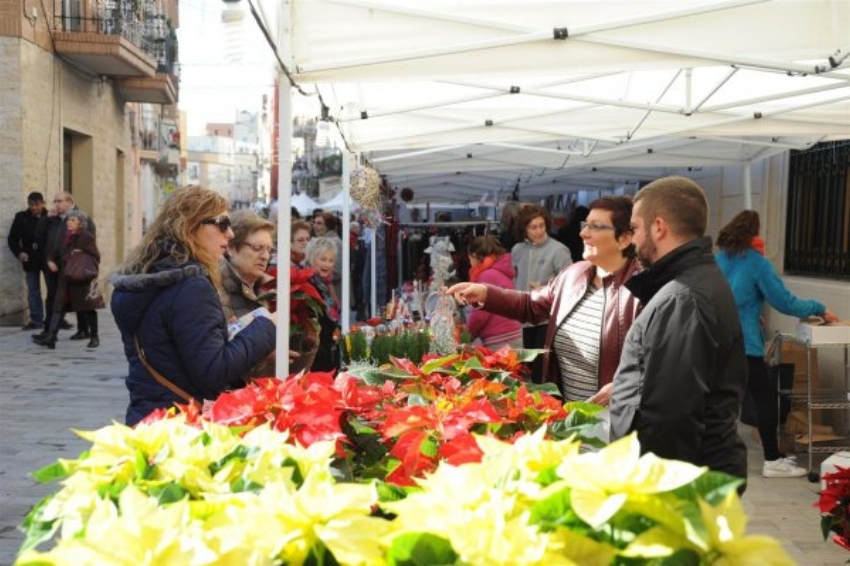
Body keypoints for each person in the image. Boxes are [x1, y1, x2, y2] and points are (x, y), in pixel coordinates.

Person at [609, 176, 748, 484]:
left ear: (659, 227)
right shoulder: (688, 286)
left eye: (635, 228)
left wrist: (650, 496)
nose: (631, 239)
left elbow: (670, 416)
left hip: (677, 485)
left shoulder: (683, 298)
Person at [110, 186, 277, 426]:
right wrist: (266, 327)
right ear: (191, 226)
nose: (229, 234)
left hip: (148, 417)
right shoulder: (191, 287)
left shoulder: (149, 278)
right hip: (180, 425)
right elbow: (213, 371)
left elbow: (173, 352)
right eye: (222, 224)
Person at [447, 196, 640, 402]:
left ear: (625, 239)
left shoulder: (642, 291)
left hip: (618, 423)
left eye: (596, 227)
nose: (583, 233)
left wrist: (628, 387)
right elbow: (530, 305)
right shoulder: (573, 275)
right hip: (570, 417)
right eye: (586, 225)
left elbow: (663, 364)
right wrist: (486, 293)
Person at [716, 209, 839, 478]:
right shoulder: (756, 263)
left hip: (714, 342)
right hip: (744, 344)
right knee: (764, 399)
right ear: (754, 235)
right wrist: (819, 308)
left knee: (718, 402)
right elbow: (785, 301)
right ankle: (772, 461)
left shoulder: (718, 260)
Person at [510, 204, 572, 381]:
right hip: (526, 317)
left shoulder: (558, 250)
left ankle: (547, 403)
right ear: (524, 229)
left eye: (541, 226)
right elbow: (513, 277)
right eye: (533, 227)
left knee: (542, 369)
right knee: (529, 366)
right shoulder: (518, 250)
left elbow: (570, 282)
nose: (538, 231)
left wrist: (546, 289)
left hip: (548, 316)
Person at [34, 210, 105, 349]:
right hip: (65, 278)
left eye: (73, 220)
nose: (69, 223)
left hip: (81, 279)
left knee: (88, 308)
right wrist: (50, 261)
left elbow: (96, 257)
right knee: (58, 307)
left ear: (80, 223)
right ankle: (51, 338)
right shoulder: (64, 236)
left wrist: (80, 255)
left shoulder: (86, 237)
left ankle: (94, 337)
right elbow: (54, 252)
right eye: (68, 220)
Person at [219, 211, 278, 378]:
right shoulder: (215, 290)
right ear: (231, 248)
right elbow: (217, 362)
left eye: (269, 250)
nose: (265, 256)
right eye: (257, 248)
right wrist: (264, 356)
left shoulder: (263, 290)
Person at [463, 235, 523, 351]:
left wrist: (467, 335)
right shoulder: (500, 272)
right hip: (513, 335)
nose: (470, 264)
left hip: (500, 341)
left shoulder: (486, 276)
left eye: (469, 259)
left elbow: (480, 314)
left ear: (474, 256)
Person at [7, 191, 47, 330]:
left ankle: (54, 319)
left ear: (43, 203)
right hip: (30, 259)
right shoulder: (21, 217)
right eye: (31, 205)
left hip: (48, 260)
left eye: (37, 205)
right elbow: (12, 239)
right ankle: (37, 320)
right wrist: (19, 253)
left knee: (53, 290)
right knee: (33, 290)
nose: (34, 208)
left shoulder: (51, 217)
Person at [305, 236, 341, 373]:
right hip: (316, 353)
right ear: (312, 259)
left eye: (331, 260)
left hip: (328, 347)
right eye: (323, 259)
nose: (328, 264)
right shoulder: (309, 283)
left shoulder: (327, 284)